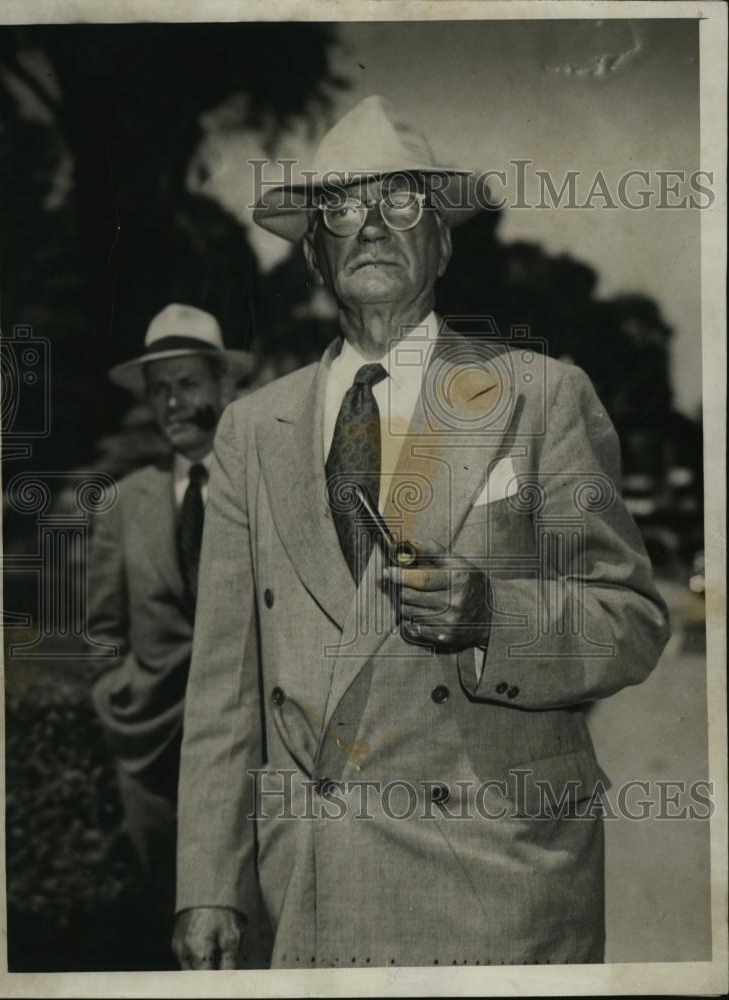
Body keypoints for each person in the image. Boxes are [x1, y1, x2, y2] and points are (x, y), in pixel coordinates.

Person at [172, 96, 670, 969]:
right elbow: (222, 685)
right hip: (316, 887)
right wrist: (209, 883)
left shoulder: (542, 395)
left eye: (401, 202)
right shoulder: (252, 430)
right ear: (314, 258)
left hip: (503, 887)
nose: (370, 223)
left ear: (440, 242)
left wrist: (492, 618)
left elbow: (629, 621)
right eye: (341, 208)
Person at [88, 303, 256, 955]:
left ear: (225, 386)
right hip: (150, 755)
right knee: (170, 930)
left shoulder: (258, 487)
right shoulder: (126, 500)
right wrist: (115, 696)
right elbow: (101, 624)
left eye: (187, 383)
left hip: (246, 755)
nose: (172, 403)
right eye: (159, 390)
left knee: (249, 924)